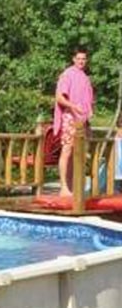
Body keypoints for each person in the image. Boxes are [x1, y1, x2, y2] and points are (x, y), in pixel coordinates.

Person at [52, 47, 95, 196]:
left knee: (80, 153)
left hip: (83, 120)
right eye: (79, 58)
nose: (81, 61)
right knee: (67, 150)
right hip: (70, 117)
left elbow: (89, 100)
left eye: (84, 59)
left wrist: (88, 114)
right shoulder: (67, 75)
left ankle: (73, 187)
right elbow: (59, 98)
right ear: (73, 59)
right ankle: (63, 187)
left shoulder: (85, 77)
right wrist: (73, 106)